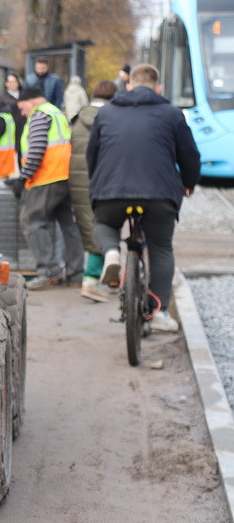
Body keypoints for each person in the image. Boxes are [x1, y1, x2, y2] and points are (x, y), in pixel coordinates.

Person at [87, 64, 200, 332]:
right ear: (158, 88)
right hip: (158, 194)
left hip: (111, 192)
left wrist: (98, 186)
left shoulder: (106, 113)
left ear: (129, 86)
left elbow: (92, 155)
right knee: (160, 248)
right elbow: (190, 156)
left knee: (104, 224)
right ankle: (159, 312)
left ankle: (112, 253)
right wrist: (189, 183)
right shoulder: (172, 114)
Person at [9, 85, 84, 290]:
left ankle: (48, 270)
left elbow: (37, 150)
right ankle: (76, 275)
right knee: (68, 226)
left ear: (32, 102)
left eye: (23, 108)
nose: (23, 113)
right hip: (64, 176)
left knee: (31, 221)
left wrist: (23, 178)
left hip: (46, 178)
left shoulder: (40, 115)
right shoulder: (57, 113)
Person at [68, 79, 117, 302]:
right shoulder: (111, 119)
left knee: (89, 228)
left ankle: (101, 279)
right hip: (103, 183)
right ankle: (92, 280)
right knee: (104, 228)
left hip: (77, 182)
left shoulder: (78, 119)